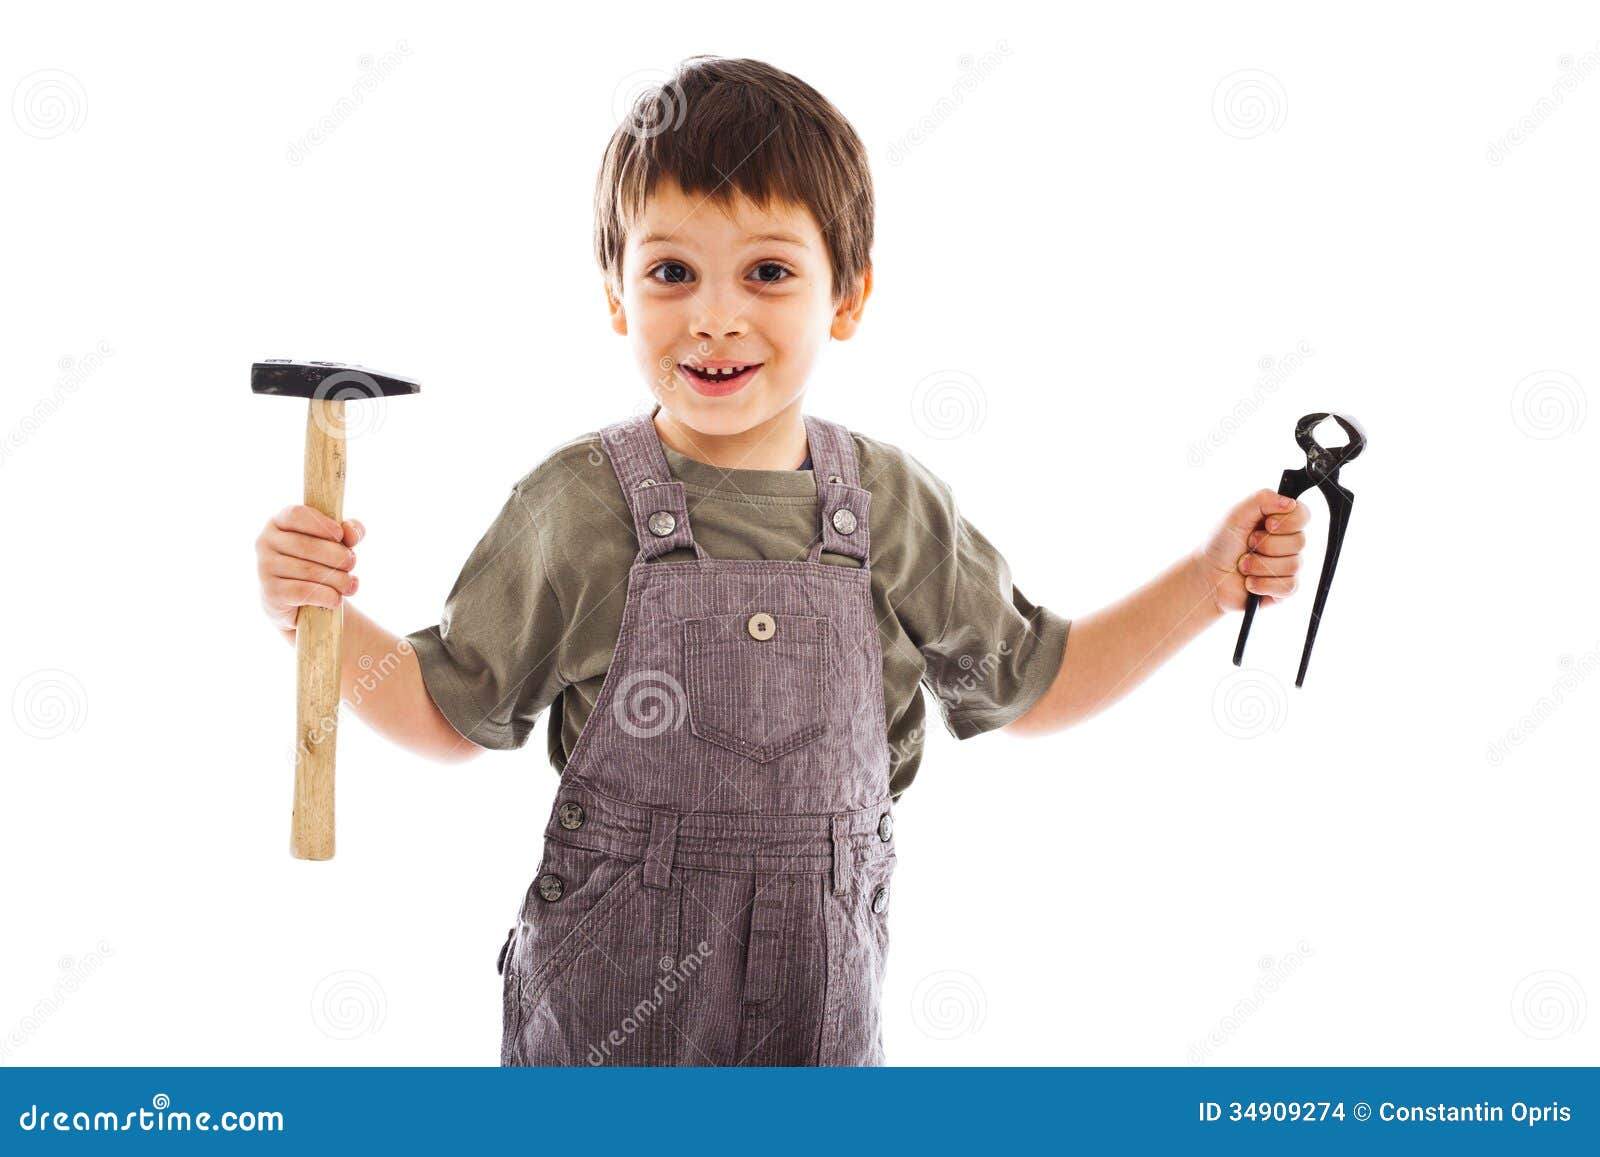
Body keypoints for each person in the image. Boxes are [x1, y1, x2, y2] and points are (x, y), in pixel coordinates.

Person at [253, 56, 1311, 1066]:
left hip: (819, 1042)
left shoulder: (892, 509)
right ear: (617, 294)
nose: (715, 316)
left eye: (767, 272)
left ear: (846, 297)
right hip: (604, 1041)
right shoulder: (575, 506)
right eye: (671, 271)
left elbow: (1034, 683)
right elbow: (451, 715)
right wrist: (319, 616)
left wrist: (1207, 583)